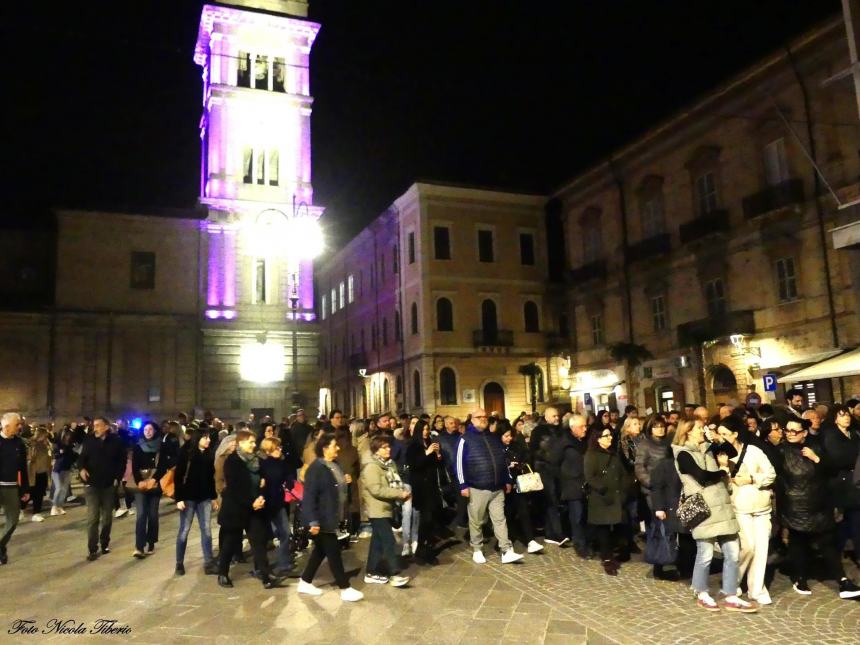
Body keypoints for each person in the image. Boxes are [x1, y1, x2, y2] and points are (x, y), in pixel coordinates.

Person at [772, 418, 860, 599]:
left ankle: (842, 581)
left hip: (818, 504)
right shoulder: (781, 451)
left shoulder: (816, 447)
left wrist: (816, 458)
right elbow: (777, 481)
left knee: (827, 543)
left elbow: (832, 470)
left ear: (804, 433)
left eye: (794, 431)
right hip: (795, 506)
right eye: (787, 430)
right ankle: (800, 577)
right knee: (798, 543)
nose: (790, 433)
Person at [672, 420, 755, 612]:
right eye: (699, 428)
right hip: (705, 509)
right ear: (688, 432)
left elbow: (732, 452)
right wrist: (723, 471)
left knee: (733, 552)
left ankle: (731, 594)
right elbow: (701, 476)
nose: (702, 431)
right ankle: (701, 592)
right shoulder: (683, 454)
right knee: (705, 554)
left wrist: (718, 438)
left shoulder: (709, 448)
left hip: (722, 506)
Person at [715, 415, 776, 605]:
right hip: (739, 507)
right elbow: (720, 485)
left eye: (725, 434)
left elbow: (770, 473)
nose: (721, 438)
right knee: (747, 547)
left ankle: (757, 589)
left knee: (761, 549)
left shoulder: (754, 451)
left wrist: (752, 479)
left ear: (735, 434)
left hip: (761, 506)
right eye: (719, 434)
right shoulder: (719, 455)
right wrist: (724, 468)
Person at [298, 432, 364, 601]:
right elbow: (310, 497)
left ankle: (305, 581)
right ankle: (345, 587)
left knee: (320, 551)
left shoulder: (334, 464)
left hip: (333, 515)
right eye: (335, 445)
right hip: (322, 517)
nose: (338, 448)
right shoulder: (316, 468)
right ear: (325, 448)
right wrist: (313, 521)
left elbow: (337, 488)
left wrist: (346, 482)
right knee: (333, 552)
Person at [456, 407, 524, 565]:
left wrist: (507, 480)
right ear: (472, 420)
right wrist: (462, 485)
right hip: (477, 487)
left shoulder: (493, 438)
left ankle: (506, 550)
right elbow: (459, 463)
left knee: (500, 519)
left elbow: (502, 460)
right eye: (479, 417)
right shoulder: (465, 439)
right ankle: (477, 549)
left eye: (485, 417)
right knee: (477, 520)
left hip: (497, 487)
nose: (483, 419)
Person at [217, 429, 282, 589]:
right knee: (230, 543)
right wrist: (251, 502)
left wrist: (261, 492)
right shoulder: (232, 461)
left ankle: (266, 575)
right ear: (241, 443)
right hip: (236, 508)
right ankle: (222, 572)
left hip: (255, 508)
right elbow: (234, 489)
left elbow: (260, 480)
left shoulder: (256, 460)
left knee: (258, 542)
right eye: (251, 442)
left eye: (254, 441)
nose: (254, 445)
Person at [361, 434, 411, 587]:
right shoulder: (372, 467)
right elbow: (376, 489)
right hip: (377, 509)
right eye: (384, 447)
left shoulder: (389, 464)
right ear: (376, 450)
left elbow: (395, 482)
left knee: (377, 542)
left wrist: (401, 492)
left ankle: (371, 572)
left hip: (386, 507)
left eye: (389, 446)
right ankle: (394, 573)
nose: (388, 449)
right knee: (388, 541)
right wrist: (398, 493)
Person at [78, 417, 126, 561]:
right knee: (93, 518)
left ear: (106, 427)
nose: (95, 428)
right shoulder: (89, 440)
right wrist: (81, 469)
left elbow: (122, 461)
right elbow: (81, 458)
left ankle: (104, 543)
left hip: (108, 485)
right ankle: (92, 548)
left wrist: (118, 477)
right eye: (94, 426)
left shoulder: (116, 441)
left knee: (107, 518)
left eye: (98, 426)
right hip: (91, 484)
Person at [174, 425, 218, 576]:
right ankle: (179, 562)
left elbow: (211, 478)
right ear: (198, 438)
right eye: (205, 437)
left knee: (206, 530)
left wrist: (213, 497)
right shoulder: (186, 452)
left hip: (204, 497)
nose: (208, 440)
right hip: (188, 497)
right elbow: (178, 477)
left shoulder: (209, 454)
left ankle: (209, 562)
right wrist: (178, 498)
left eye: (209, 437)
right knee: (184, 530)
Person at [821, 404, 860, 565]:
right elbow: (838, 458)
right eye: (842, 415)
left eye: (847, 415)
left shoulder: (853, 434)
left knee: (853, 519)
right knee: (851, 519)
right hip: (842, 483)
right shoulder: (831, 435)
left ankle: (845, 549)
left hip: (855, 480)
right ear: (835, 418)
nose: (846, 418)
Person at [585, 425, 627, 575]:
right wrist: (603, 490)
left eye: (610, 435)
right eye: (606, 436)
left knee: (615, 528)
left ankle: (612, 554)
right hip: (601, 499)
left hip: (615, 497)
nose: (610, 438)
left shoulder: (613, 454)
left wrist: (622, 491)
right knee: (603, 530)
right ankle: (606, 558)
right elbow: (590, 477)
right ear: (598, 439)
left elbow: (621, 473)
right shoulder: (591, 455)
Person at [499, 420, 543, 554]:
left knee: (523, 511)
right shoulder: (496, 447)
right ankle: (508, 541)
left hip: (519, 483)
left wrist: (520, 464)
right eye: (506, 436)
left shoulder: (516, 445)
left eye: (510, 435)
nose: (509, 438)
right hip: (504, 486)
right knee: (507, 514)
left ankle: (530, 540)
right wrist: (506, 465)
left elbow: (526, 457)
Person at [405, 419, 445, 565]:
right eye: (423, 429)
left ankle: (425, 548)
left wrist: (438, 455)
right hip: (421, 487)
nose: (426, 432)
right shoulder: (413, 446)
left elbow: (438, 465)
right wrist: (427, 453)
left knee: (431, 519)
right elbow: (415, 465)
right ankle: (422, 550)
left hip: (432, 486)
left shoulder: (430, 443)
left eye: (427, 429)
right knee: (425, 519)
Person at [259, 437, 298, 577]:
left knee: (285, 533)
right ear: (268, 449)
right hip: (265, 504)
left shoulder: (281, 463)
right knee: (263, 537)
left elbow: (289, 476)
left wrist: (289, 482)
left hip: (278, 503)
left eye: (280, 447)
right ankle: (261, 567)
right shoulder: (262, 464)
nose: (279, 450)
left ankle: (284, 563)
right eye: (276, 448)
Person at [530, 407, 568, 547]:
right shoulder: (538, 432)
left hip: (558, 470)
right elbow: (533, 450)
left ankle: (550, 532)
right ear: (546, 417)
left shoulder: (561, 431)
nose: (556, 418)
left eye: (557, 416)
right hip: (544, 470)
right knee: (550, 500)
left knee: (554, 501)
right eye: (553, 416)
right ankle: (557, 533)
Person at [131, 422, 168, 559]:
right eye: (145, 429)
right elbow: (134, 466)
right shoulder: (138, 446)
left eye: (150, 429)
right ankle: (139, 547)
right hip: (141, 484)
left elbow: (163, 465)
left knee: (153, 514)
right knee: (141, 515)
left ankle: (151, 542)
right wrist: (139, 481)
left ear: (155, 431)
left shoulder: (161, 446)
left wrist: (155, 479)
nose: (148, 431)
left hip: (155, 484)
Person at [0, 412, 29, 565]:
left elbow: (23, 468)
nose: (20, 427)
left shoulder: (19, 443)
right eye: (17, 424)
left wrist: (25, 489)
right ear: (6, 426)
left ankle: (0, 545)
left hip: (12, 487)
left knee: (13, 520)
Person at [559, 414, 589, 558]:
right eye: (582, 426)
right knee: (577, 517)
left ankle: (586, 541)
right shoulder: (566, 443)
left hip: (585, 485)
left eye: (586, 425)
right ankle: (580, 545)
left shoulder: (583, 441)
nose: (585, 429)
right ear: (572, 428)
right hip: (572, 486)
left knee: (585, 516)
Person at [26, 427, 52, 522]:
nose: (46, 437)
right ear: (41, 435)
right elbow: (30, 458)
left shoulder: (45, 444)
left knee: (40, 493)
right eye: (45, 436)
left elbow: (49, 456)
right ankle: (21, 508)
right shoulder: (32, 444)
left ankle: (36, 512)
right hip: (34, 472)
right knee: (31, 493)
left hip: (43, 471)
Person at [50, 427, 77, 516]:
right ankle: (54, 507)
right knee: (59, 488)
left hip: (67, 468)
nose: (68, 437)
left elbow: (73, 457)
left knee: (64, 489)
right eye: (66, 435)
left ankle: (60, 506)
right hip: (58, 469)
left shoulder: (71, 445)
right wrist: (60, 453)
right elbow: (55, 455)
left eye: (69, 435)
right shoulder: (58, 444)